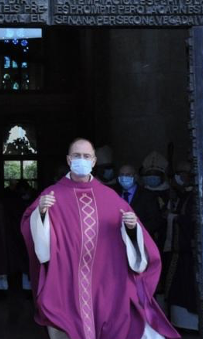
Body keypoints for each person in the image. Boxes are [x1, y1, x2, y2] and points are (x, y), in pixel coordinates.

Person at [21, 138, 179, 339]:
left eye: (86, 156)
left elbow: (134, 238)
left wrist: (131, 229)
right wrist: (41, 213)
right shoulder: (52, 195)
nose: (81, 160)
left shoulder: (109, 196)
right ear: (69, 160)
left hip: (105, 279)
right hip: (66, 278)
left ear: (94, 162)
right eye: (77, 156)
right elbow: (32, 232)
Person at [165, 161, 197, 331]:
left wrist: (174, 218)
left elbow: (193, 221)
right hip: (182, 253)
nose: (181, 177)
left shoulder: (194, 196)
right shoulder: (185, 195)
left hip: (189, 252)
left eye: (184, 174)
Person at [116, 164, 163, 245]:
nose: (124, 178)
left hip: (141, 242)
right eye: (121, 175)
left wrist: (134, 230)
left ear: (136, 177)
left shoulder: (148, 195)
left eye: (128, 175)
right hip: (117, 242)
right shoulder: (114, 194)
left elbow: (155, 221)